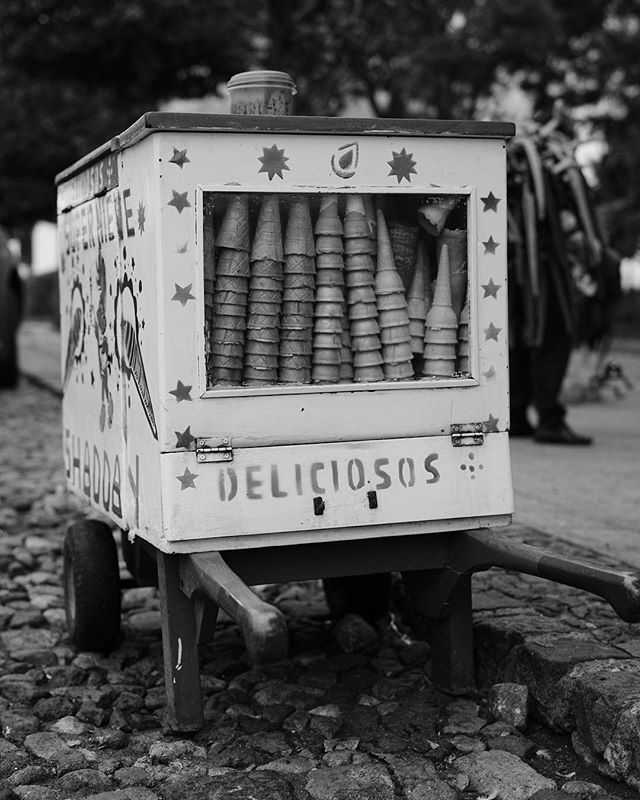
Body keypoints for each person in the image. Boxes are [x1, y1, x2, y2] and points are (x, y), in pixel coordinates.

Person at [507, 114, 620, 445]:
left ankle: (517, 414)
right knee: (552, 336)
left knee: (522, 339)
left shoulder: (509, 173)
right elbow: (570, 226)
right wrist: (593, 256)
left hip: (510, 271)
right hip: (545, 271)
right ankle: (549, 419)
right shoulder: (553, 174)